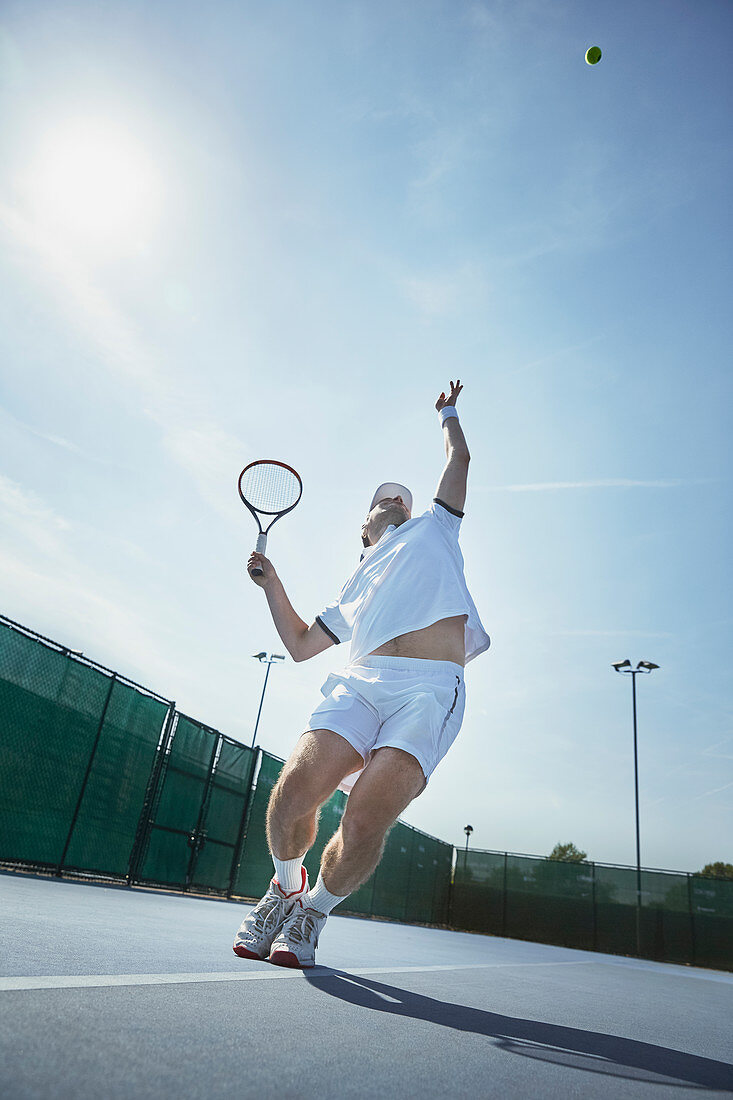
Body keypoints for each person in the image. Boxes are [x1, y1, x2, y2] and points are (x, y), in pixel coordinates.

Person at [233, 380, 490, 967]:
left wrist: (447, 412)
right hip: (362, 681)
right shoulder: (355, 586)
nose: (398, 500)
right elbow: (300, 645)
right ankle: (284, 887)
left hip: (429, 691)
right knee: (292, 795)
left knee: (364, 819)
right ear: (365, 529)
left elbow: (461, 458)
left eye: (403, 497)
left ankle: (313, 912)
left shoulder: (436, 528)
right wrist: (272, 583)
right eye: (384, 500)